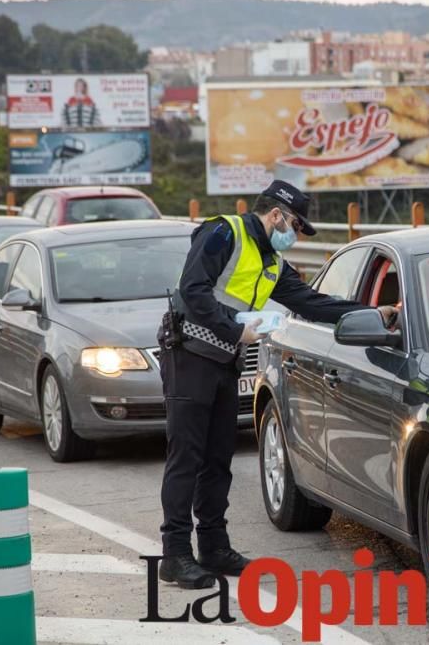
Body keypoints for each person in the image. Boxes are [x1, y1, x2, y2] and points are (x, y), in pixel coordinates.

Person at [157, 180, 397, 589]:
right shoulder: (223, 233)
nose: (295, 235)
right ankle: (175, 555)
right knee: (187, 459)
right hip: (189, 357)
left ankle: (214, 546)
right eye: (296, 226)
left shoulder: (271, 261)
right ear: (276, 216)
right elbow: (193, 290)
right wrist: (236, 329)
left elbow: (311, 302)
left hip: (222, 362)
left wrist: (374, 312)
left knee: (218, 460)